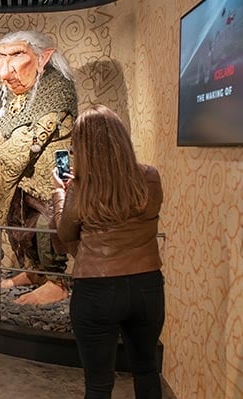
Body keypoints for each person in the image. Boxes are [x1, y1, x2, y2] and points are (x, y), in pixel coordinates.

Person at [0, 30, 78, 305]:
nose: (6, 69)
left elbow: (34, 135)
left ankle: (56, 281)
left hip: (55, 168)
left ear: (43, 57)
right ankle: (34, 273)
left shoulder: (56, 86)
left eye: (17, 55)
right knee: (19, 222)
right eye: (1, 57)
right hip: (20, 174)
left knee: (48, 223)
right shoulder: (10, 93)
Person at [52, 105, 165, 399]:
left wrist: (60, 194)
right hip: (146, 286)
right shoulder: (150, 177)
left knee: (99, 385)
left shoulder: (81, 187)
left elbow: (65, 234)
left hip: (96, 289)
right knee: (147, 370)